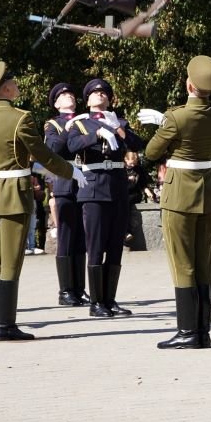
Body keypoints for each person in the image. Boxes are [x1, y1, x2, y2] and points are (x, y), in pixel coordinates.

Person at [0, 62, 85, 341]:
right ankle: (5, 326)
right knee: (11, 261)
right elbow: (42, 154)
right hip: (14, 191)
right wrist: (70, 171)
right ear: (6, 88)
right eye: (13, 82)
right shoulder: (20, 118)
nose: (17, 85)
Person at [142, 55, 211, 350]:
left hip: (179, 193)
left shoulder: (176, 116)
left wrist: (163, 123)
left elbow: (153, 151)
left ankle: (187, 332)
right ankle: (203, 331)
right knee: (204, 261)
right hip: (206, 190)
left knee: (182, 264)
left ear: (189, 84)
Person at [65, 78, 144, 317]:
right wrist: (97, 134)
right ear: (87, 100)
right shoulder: (80, 123)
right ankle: (96, 302)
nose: (100, 94)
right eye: (95, 92)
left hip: (118, 186)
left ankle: (110, 299)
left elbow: (137, 144)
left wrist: (116, 128)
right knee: (97, 246)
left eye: (104, 93)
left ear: (110, 99)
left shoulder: (118, 121)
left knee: (115, 246)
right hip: (94, 188)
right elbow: (71, 145)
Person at [44, 82, 85, 307]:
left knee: (81, 238)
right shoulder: (54, 124)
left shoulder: (83, 121)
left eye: (71, 94)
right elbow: (54, 148)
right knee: (67, 237)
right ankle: (65, 290)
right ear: (56, 104)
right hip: (65, 181)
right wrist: (72, 130)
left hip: (84, 182)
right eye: (63, 96)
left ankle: (80, 288)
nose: (68, 97)